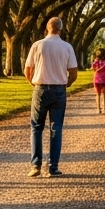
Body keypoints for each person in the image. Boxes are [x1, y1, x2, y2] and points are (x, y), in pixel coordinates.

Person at [24, 16, 79, 177]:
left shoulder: (38, 45)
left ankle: (35, 165)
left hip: (40, 88)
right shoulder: (67, 47)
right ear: (61, 29)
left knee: (36, 128)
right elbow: (73, 72)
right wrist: (66, 84)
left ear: (47, 28)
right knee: (56, 128)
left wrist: (34, 84)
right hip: (59, 90)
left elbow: (28, 70)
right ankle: (53, 166)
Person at [91, 47, 105, 114]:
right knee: (104, 95)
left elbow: (93, 69)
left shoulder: (96, 61)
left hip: (97, 79)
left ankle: (98, 109)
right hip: (104, 79)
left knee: (98, 94)